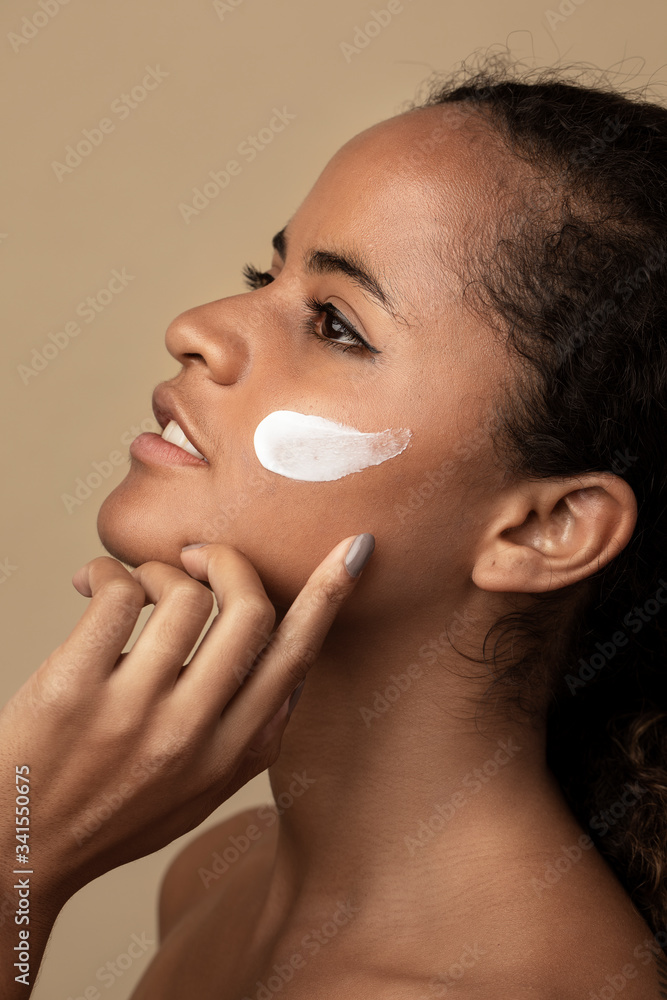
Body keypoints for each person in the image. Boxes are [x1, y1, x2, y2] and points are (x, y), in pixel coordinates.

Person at [2, 53, 667, 999]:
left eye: (336, 324)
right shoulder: (213, 878)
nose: (198, 325)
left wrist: (19, 855)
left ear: (546, 528)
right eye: (261, 273)